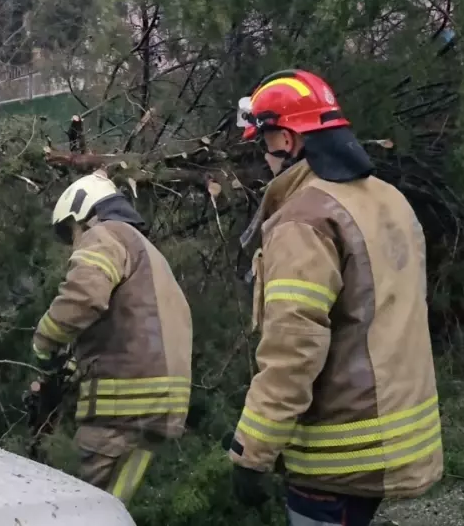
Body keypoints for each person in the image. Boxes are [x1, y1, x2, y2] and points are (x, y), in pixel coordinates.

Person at [227, 70, 442, 525]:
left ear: (286, 140)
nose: (264, 157)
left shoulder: (304, 220)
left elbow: (293, 348)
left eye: (264, 142)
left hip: (338, 455)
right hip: (400, 435)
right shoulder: (388, 199)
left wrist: (253, 449)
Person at [31, 172, 193, 505]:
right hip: (160, 406)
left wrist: (44, 341)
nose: (74, 242)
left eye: (71, 231)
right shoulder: (145, 252)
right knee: (113, 507)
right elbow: (126, 326)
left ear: (83, 213)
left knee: (83, 507)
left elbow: (84, 297)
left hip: (123, 406)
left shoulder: (104, 233)